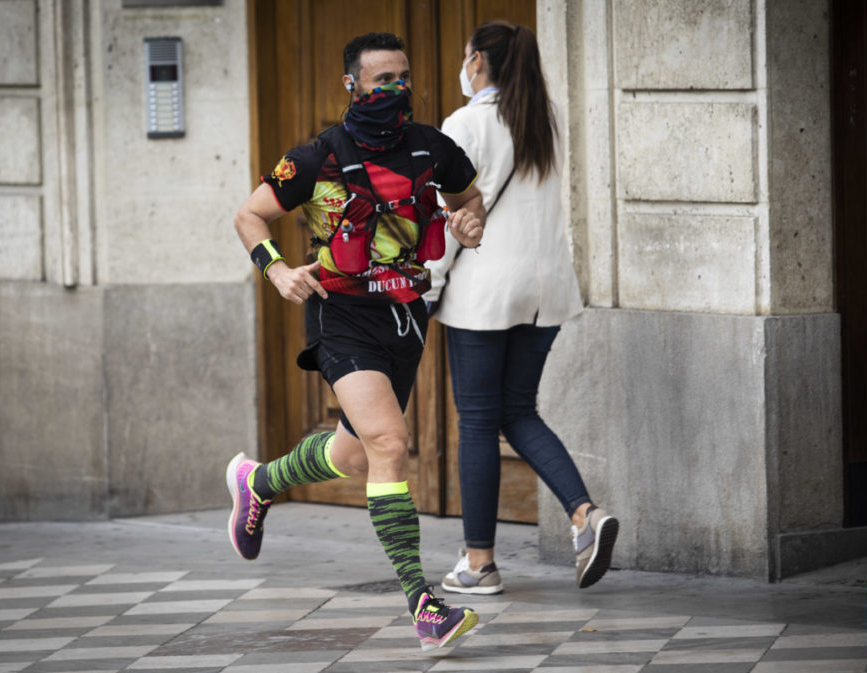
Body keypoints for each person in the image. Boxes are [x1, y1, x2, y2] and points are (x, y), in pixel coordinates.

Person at [224, 32, 486, 651]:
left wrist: (471, 222)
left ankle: (258, 483)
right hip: (340, 315)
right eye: (381, 80)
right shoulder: (317, 156)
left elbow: (468, 199)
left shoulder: (434, 148)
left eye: (403, 78)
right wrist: (278, 269)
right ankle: (423, 605)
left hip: (405, 316)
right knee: (392, 442)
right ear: (353, 86)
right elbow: (249, 215)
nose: (394, 91)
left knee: (354, 457)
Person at [424, 21, 619, 595]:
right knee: (517, 410)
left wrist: (428, 284)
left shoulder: (466, 124)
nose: (464, 65)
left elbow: (450, 221)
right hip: (546, 290)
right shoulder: (545, 117)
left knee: (481, 420)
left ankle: (479, 563)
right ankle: (585, 516)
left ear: (478, 60)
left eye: (466, 56)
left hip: (484, 292)